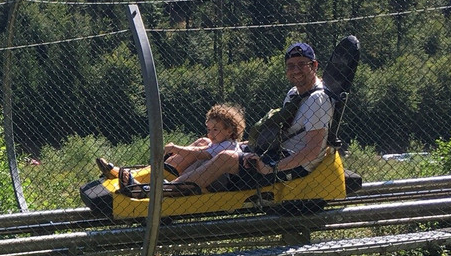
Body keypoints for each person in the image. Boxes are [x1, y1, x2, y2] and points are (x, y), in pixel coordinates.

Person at [154, 41, 333, 195]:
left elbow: (313, 150)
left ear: (314, 66)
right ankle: (158, 177)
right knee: (205, 142)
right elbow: (286, 133)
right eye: (291, 65)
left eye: (302, 64)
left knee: (226, 157)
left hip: (292, 165)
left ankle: (169, 191)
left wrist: (272, 167)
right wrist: (247, 146)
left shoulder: (317, 99)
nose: (296, 70)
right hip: (276, 154)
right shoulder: (295, 94)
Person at [96, 103, 245, 188]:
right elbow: (202, 148)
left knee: (200, 147)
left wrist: (176, 148)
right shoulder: (219, 143)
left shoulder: (227, 147)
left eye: (216, 130)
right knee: (202, 141)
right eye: (209, 129)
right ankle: (138, 176)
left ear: (229, 131)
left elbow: (201, 153)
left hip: (216, 182)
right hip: (204, 175)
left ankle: (163, 187)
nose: (211, 134)